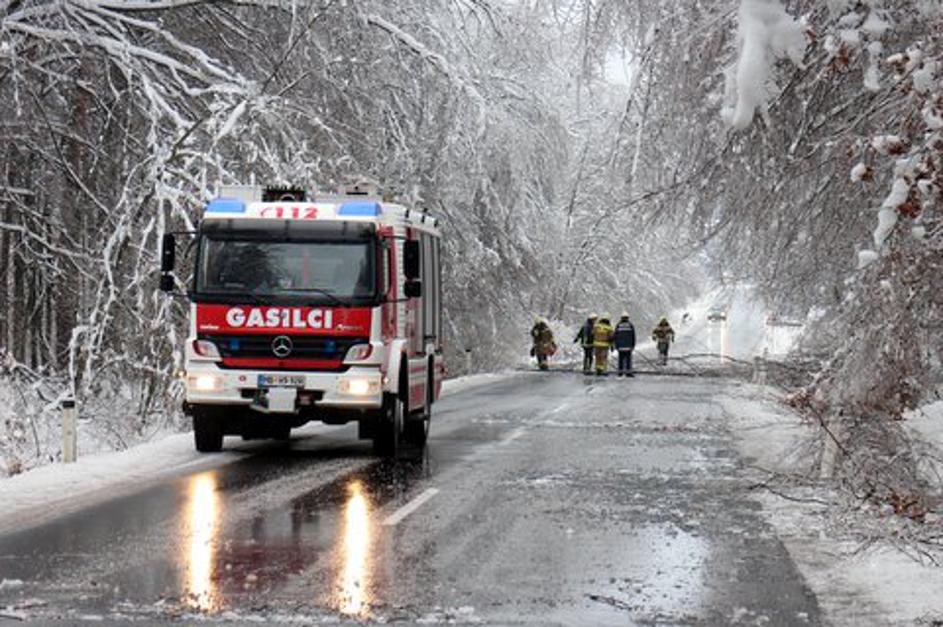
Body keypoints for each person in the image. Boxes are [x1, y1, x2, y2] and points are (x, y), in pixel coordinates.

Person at [613, 313, 636, 377]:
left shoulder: (618, 325)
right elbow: (633, 336)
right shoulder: (630, 325)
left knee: (620, 360)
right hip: (628, 346)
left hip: (620, 346)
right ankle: (628, 372)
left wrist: (616, 345)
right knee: (628, 360)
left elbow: (615, 336)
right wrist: (633, 345)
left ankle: (620, 372)